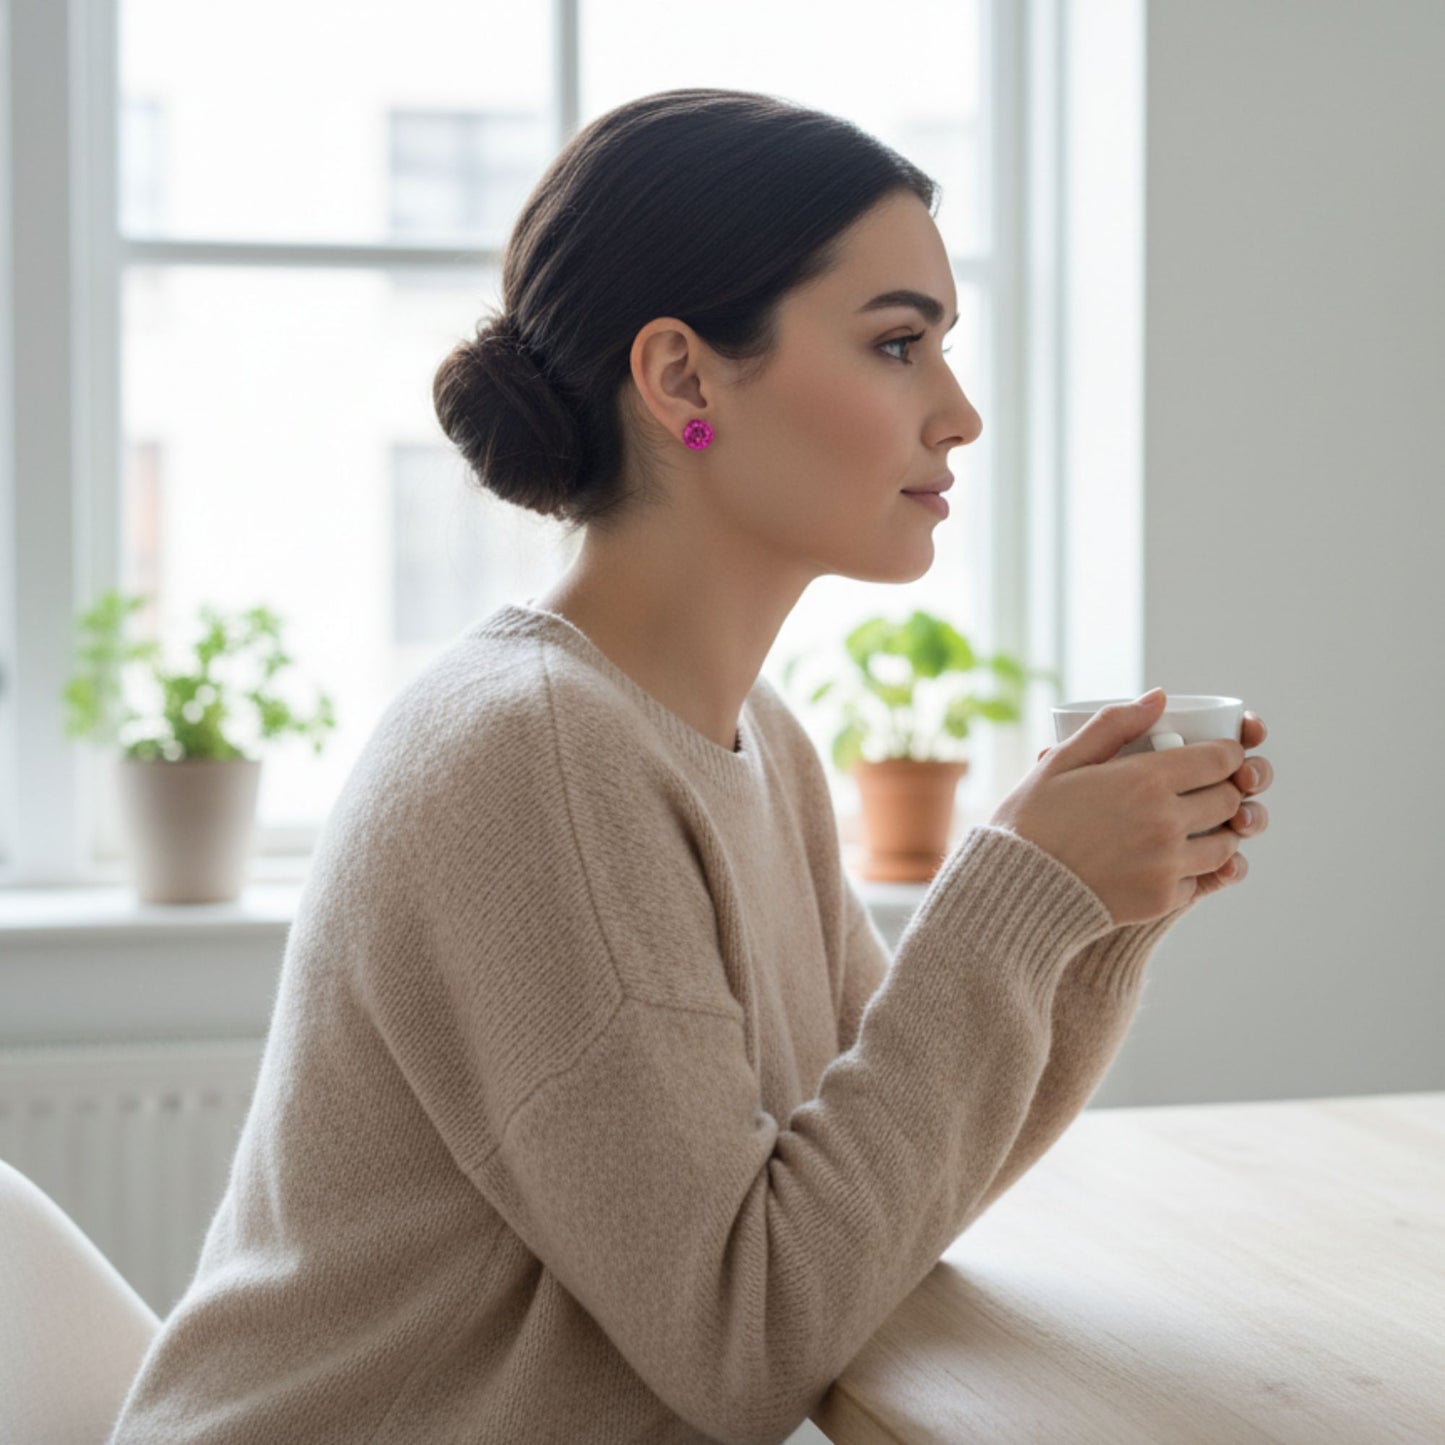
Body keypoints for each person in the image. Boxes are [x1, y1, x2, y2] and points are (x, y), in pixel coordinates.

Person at [108, 88, 1272, 1445]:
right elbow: (752, 1337)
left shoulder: (748, 735)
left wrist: (1091, 923)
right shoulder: (536, 755)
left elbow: (873, 1210)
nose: (957, 413)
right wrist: (1014, 893)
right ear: (679, 380)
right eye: (897, 344)